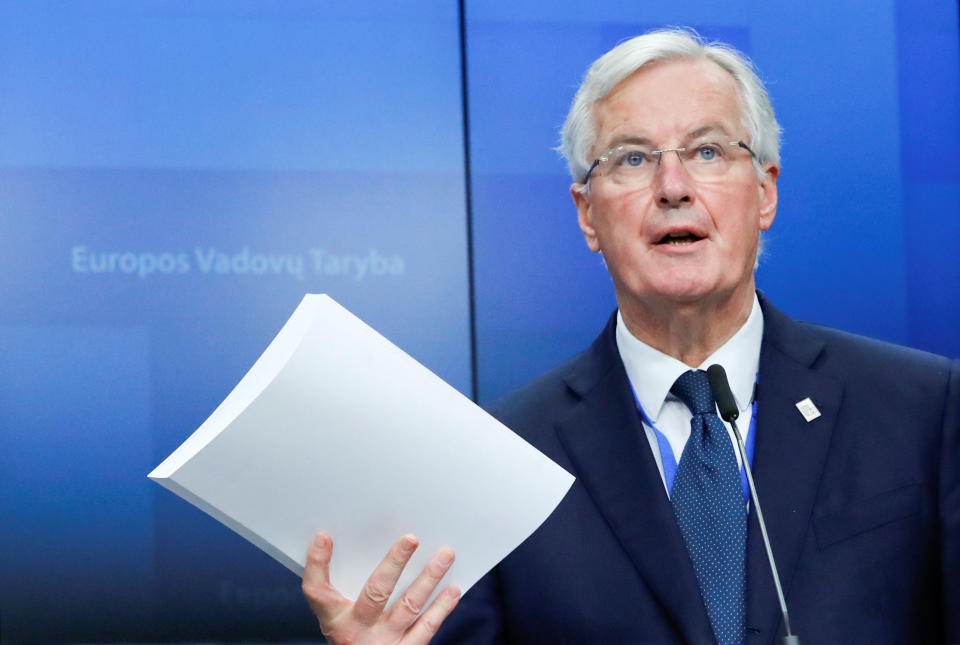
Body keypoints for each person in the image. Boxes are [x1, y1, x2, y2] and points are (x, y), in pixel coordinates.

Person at [302, 28, 960, 644]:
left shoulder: (923, 409)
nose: (673, 187)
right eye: (633, 159)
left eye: (707, 150)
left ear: (765, 192)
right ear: (587, 214)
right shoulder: (502, 458)